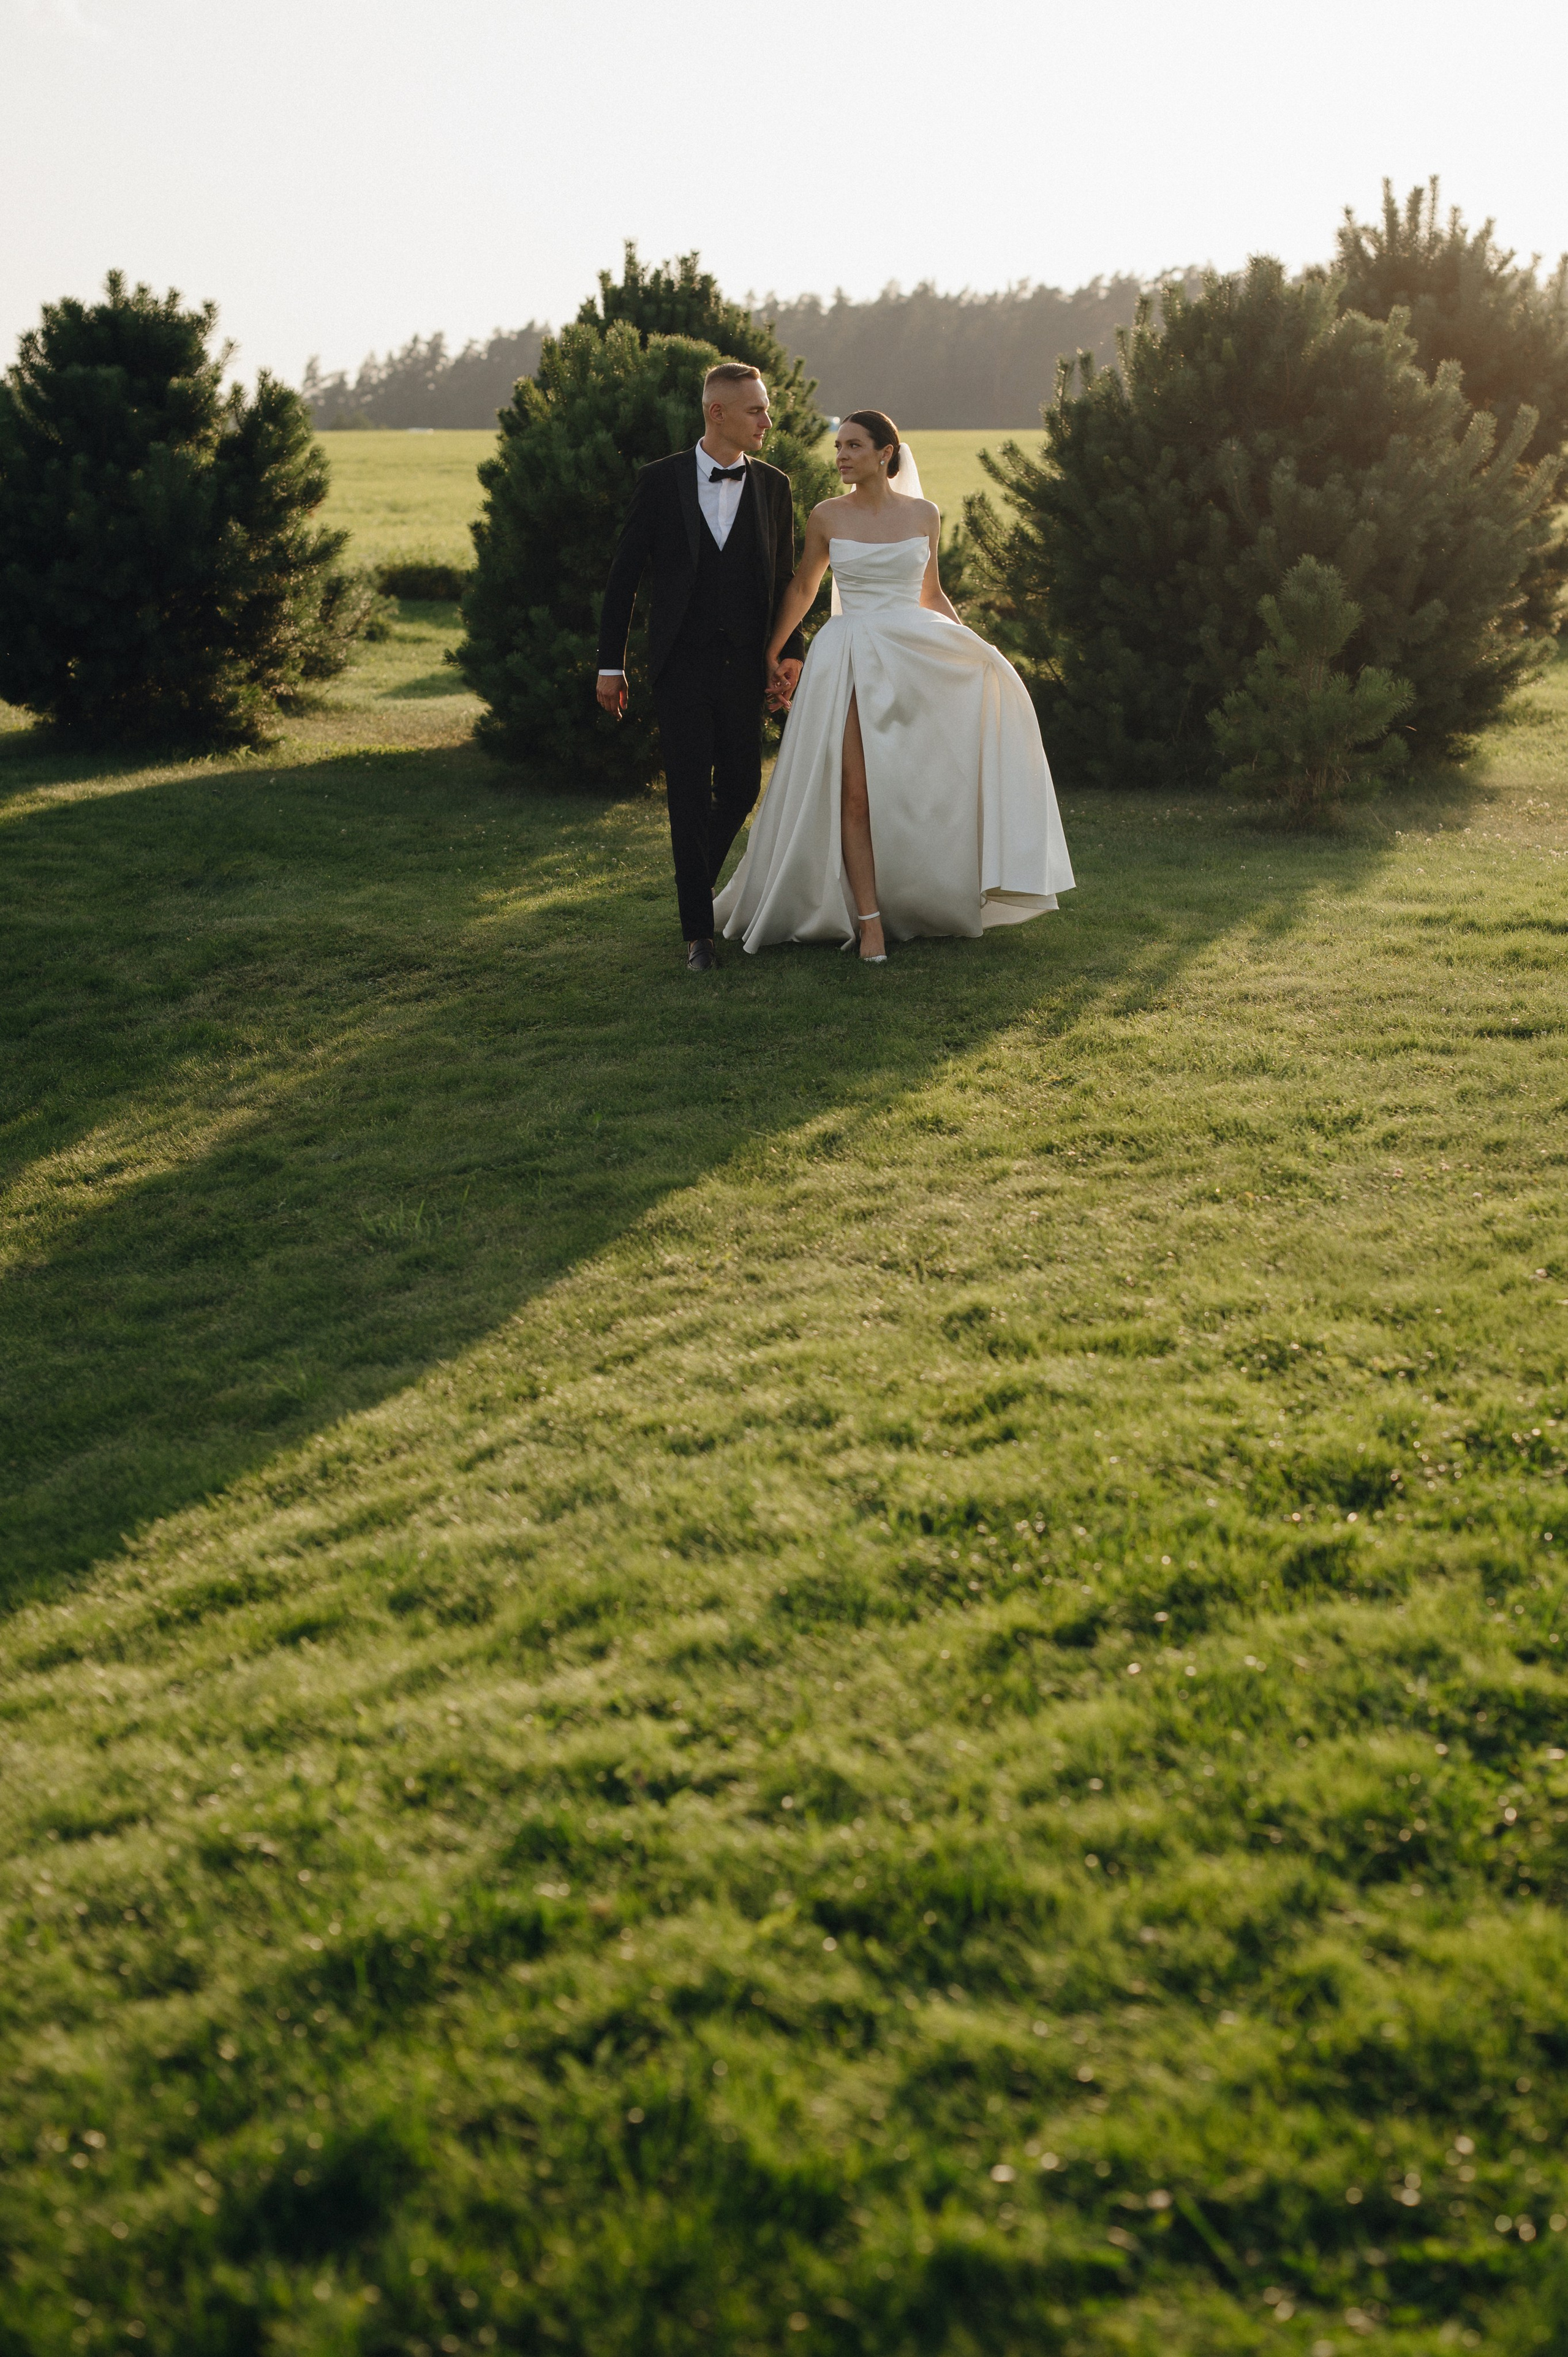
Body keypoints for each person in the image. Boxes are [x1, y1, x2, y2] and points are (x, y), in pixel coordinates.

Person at [714, 410, 1074, 961]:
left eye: (854, 446)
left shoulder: (924, 514)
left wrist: (973, 646)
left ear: (886, 453)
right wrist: (775, 649)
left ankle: (924, 897)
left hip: (915, 654)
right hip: (853, 656)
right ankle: (870, 919)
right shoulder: (827, 516)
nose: (841, 457)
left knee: (914, 790)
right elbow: (806, 585)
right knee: (855, 792)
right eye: (838, 447)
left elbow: (930, 593)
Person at [595, 362, 805, 971]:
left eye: (766, 409)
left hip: (744, 665)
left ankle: (694, 887)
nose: (767, 420)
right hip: (680, 663)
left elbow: (788, 579)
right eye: (756, 410)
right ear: (717, 413)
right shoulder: (659, 482)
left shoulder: (774, 486)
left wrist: (791, 651)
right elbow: (624, 578)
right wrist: (611, 665)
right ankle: (699, 935)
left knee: (740, 785)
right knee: (687, 794)